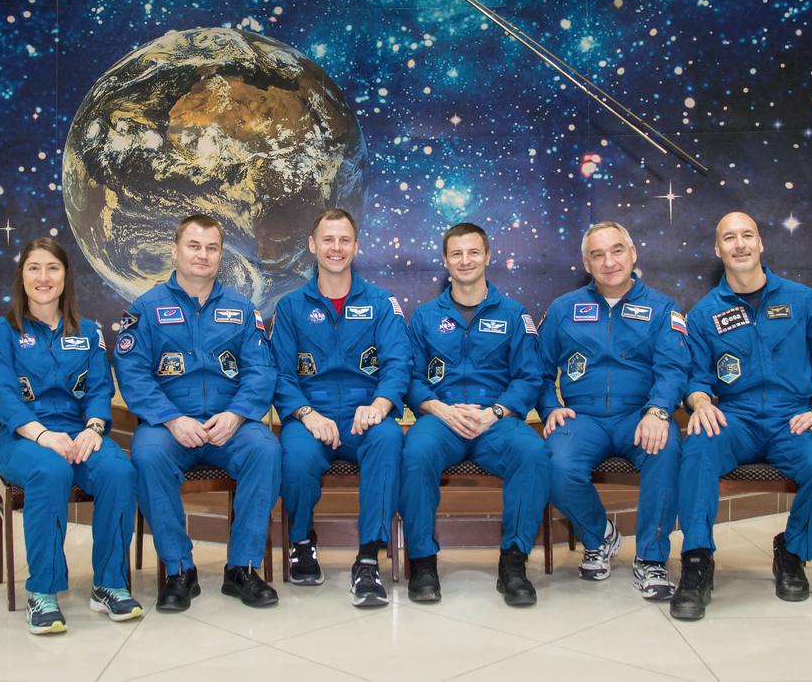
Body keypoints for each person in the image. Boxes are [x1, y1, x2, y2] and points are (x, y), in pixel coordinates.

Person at [671, 211, 812, 621]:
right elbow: (694, 379)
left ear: (761, 243)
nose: (739, 244)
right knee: (696, 447)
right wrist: (701, 405)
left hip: (794, 418)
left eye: (747, 235)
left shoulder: (802, 300)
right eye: (729, 238)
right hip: (736, 417)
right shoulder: (703, 314)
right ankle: (698, 561)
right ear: (718, 250)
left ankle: (791, 550)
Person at [114, 214, 281, 610]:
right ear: (175, 251)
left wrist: (238, 414)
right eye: (194, 246)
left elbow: (262, 369)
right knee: (147, 455)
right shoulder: (146, 308)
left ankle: (241, 568)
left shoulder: (242, 310)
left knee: (267, 450)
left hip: (230, 425)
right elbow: (132, 372)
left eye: (211, 248)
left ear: (221, 255)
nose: (202, 255)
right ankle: (179, 570)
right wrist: (172, 418)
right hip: (169, 424)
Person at [0, 237, 143, 635]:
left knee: (119, 471)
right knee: (51, 471)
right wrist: (43, 437)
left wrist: (93, 429)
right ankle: (43, 590)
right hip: (24, 440)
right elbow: (4, 398)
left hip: (80, 433)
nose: (43, 277)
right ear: (21, 276)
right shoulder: (2, 332)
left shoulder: (88, 332)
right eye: (34, 268)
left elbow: (100, 390)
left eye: (52, 268)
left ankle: (109, 583)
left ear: (66, 277)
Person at [400, 222, 550, 606]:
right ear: (445, 261)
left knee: (532, 454)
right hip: (440, 419)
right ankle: (423, 564)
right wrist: (438, 408)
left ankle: (513, 566)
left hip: (495, 421)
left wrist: (496, 412)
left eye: (472, 252)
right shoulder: (424, 317)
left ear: (487, 256)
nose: (465, 260)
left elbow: (529, 377)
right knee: (414, 454)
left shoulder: (515, 315)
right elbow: (411, 377)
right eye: (456, 253)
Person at [538, 221, 688, 600]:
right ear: (586, 264)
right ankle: (600, 536)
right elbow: (535, 369)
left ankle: (652, 558)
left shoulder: (661, 308)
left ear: (633, 254)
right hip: (582, 417)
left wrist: (658, 412)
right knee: (553, 463)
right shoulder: (563, 309)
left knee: (666, 450)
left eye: (617, 250)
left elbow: (673, 369)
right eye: (597, 255)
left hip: (639, 415)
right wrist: (551, 406)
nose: (609, 262)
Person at [269, 207, 409, 607]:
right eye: (327, 239)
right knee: (293, 457)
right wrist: (306, 414)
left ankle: (368, 557)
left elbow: (399, 363)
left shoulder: (382, 303)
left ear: (356, 246)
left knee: (387, 441)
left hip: (365, 414)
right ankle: (301, 541)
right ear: (313, 246)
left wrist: (381, 403)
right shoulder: (292, 307)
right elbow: (279, 373)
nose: (336, 248)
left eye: (344, 239)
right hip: (311, 414)